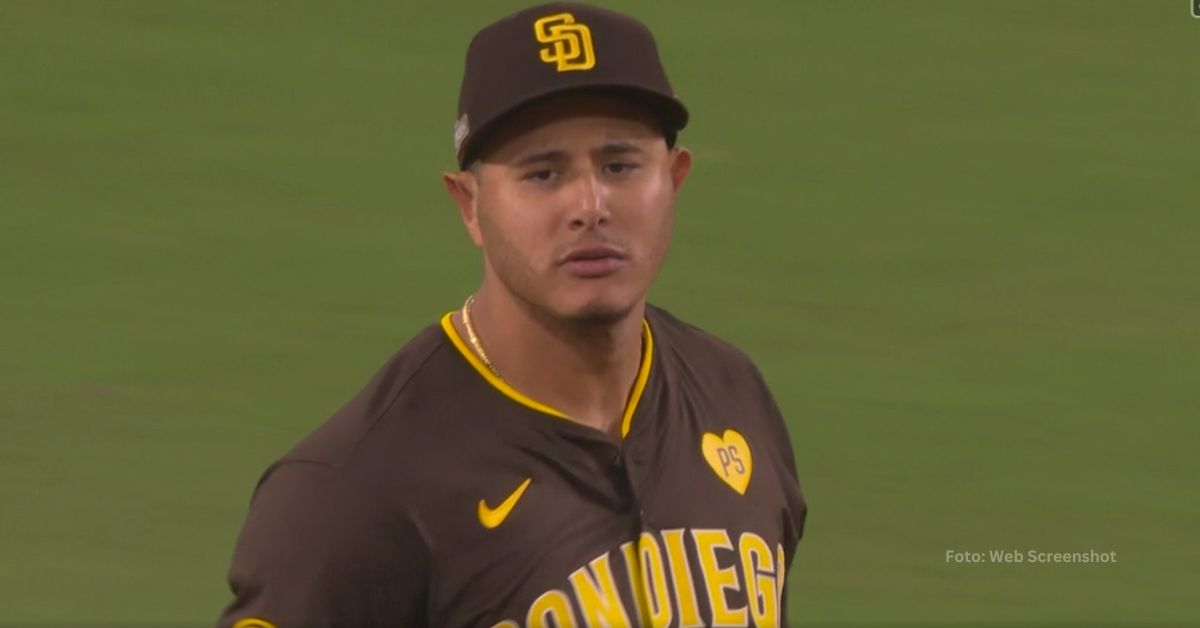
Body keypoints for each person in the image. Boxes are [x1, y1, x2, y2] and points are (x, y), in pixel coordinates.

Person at [217, 3, 806, 627]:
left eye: (620, 165)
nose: (590, 206)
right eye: (543, 173)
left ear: (675, 179)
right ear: (469, 206)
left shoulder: (731, 395)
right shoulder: (352, 494)